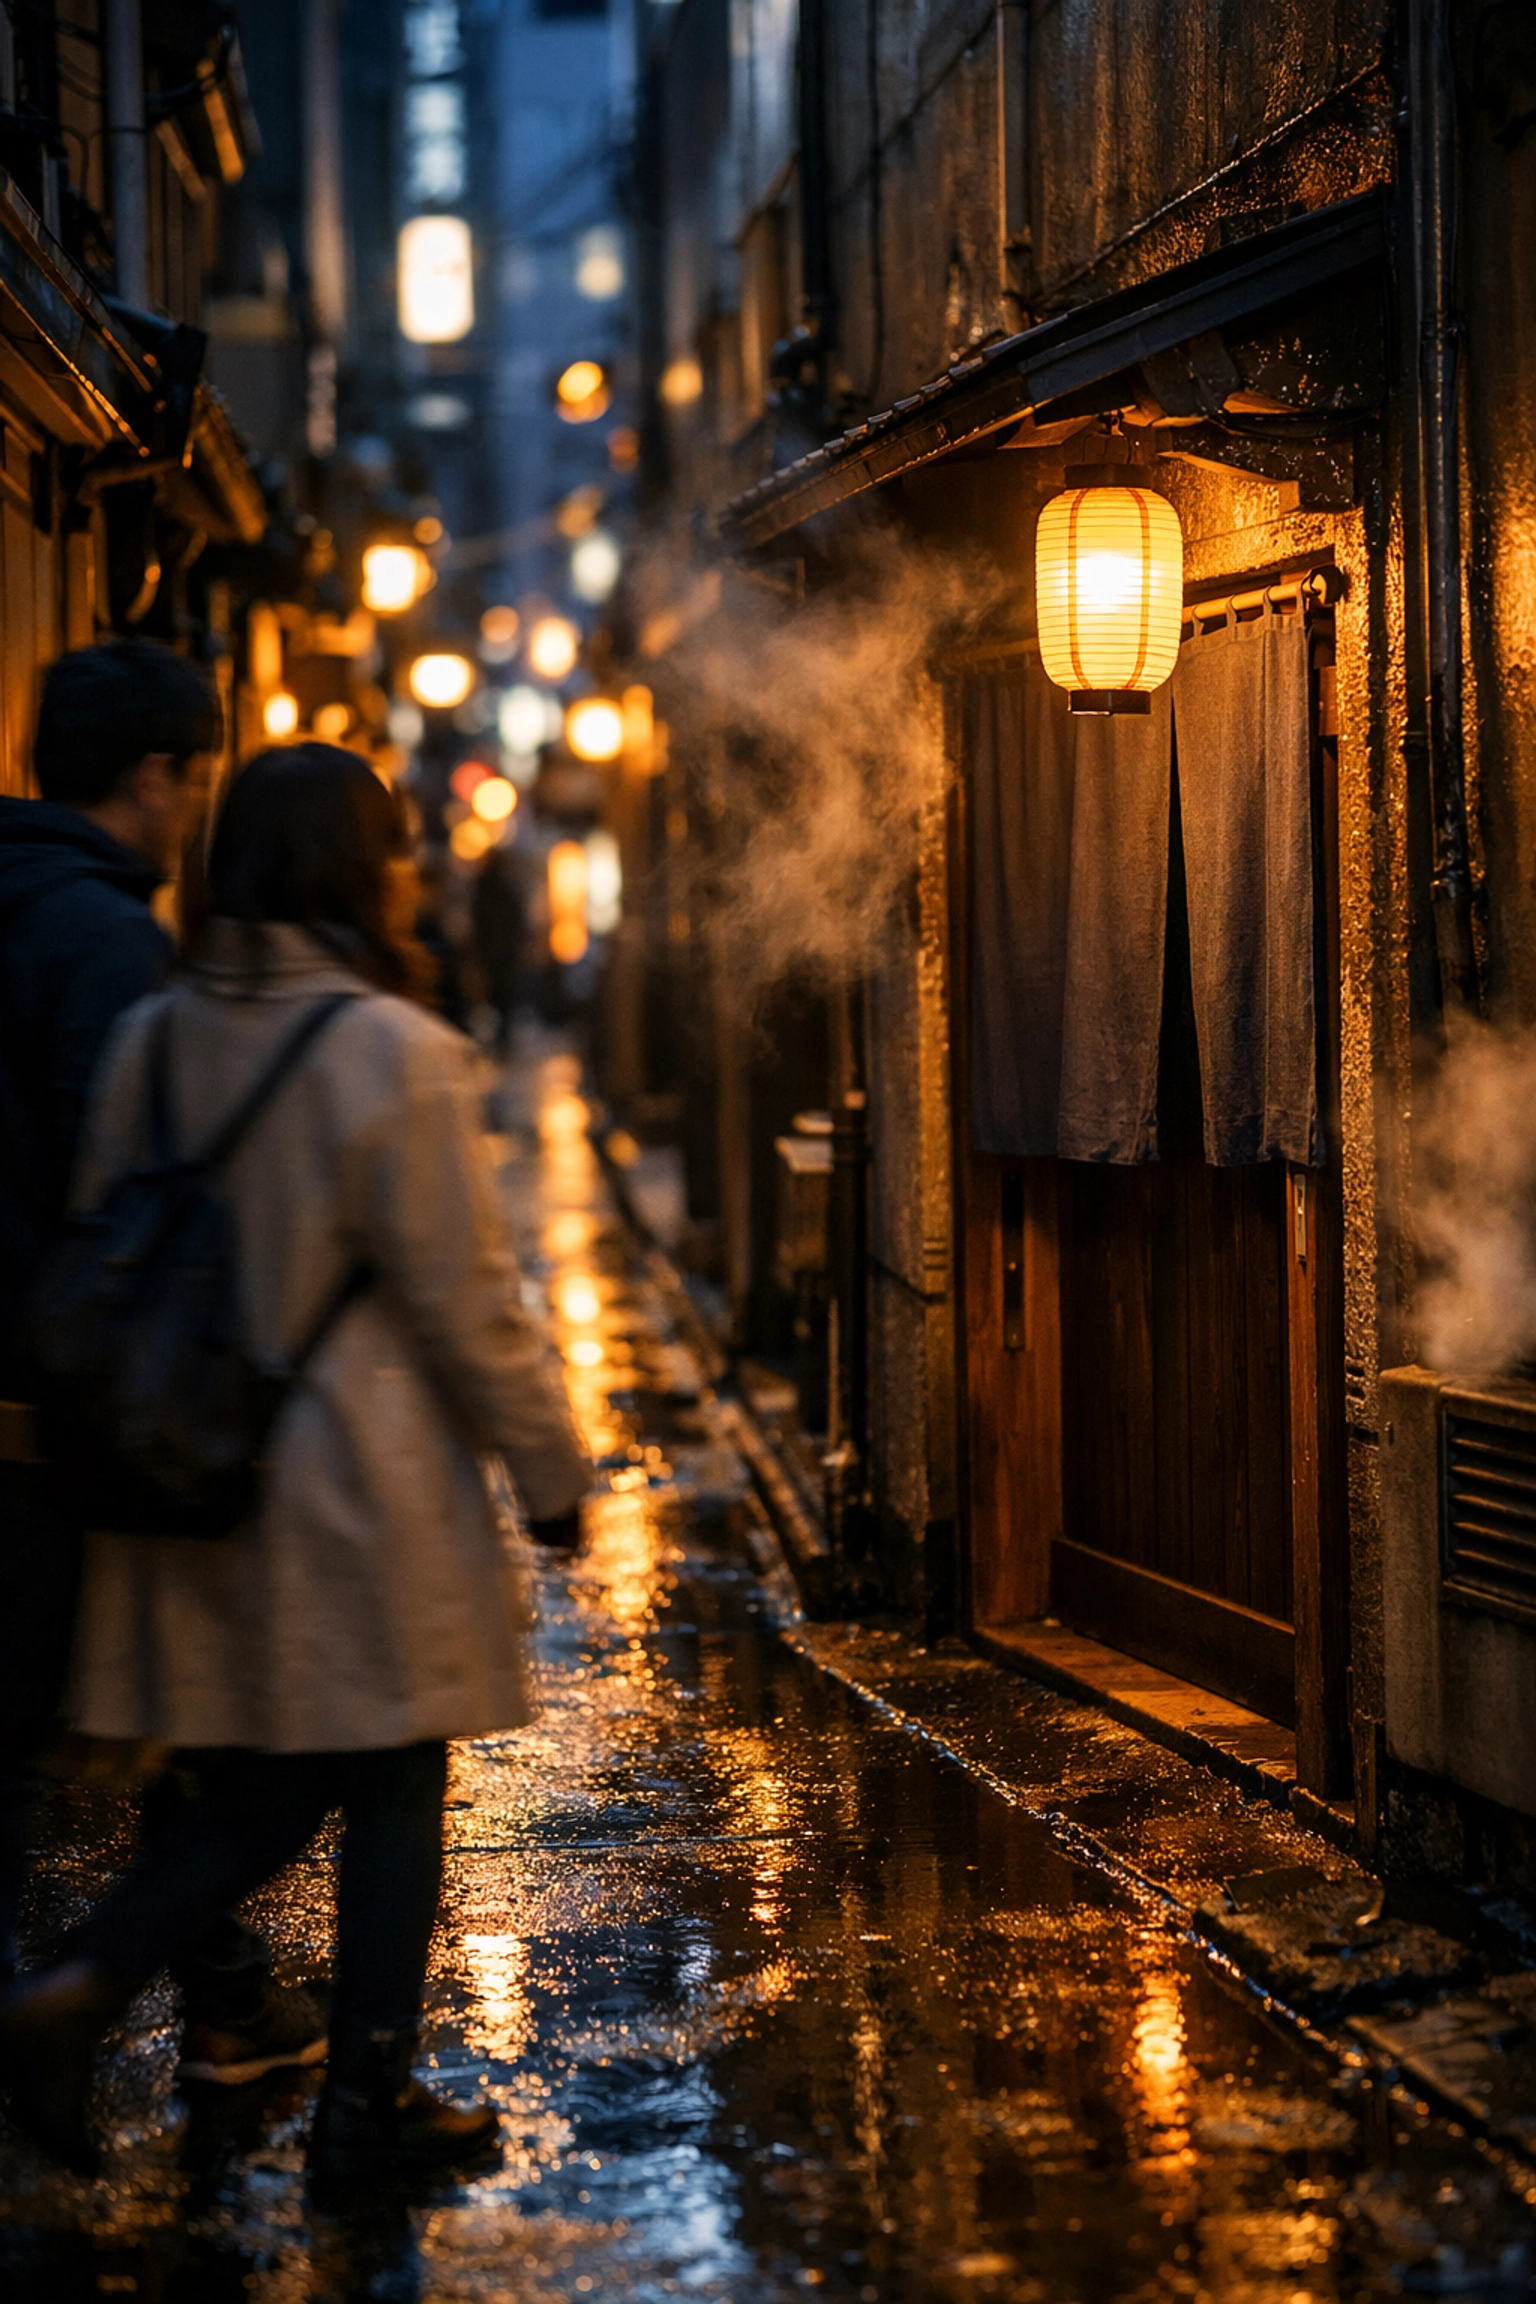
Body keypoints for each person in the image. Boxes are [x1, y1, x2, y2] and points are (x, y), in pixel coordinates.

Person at [0, 744, 589, 2194]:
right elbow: (465, 1296)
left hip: (188, 1474)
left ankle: (97, 1990)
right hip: (350, 1494)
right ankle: (353, 2105)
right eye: (388, 850)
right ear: (353, 872)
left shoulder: (157, 1032)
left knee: (271, 1783)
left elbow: (104, 1224)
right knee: (388, 1775)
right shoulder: (394, 1050)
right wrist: (551, 1469)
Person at [0, 640, 325, 2085]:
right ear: (156, 776)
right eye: (196, 776)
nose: (198, 806)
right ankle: (101, 2002)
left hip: (27, 1384)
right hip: (53, 1400)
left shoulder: (19, 897)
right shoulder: (114, 947)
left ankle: (217, 1987)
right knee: (162, 1713)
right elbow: (129, 1188)